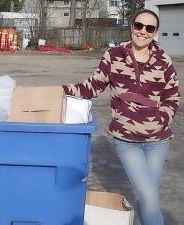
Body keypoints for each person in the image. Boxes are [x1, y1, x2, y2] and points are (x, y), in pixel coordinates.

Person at [62, 9, 179, 225]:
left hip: (158, 141)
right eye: (139, 26)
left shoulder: (164, 61)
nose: (143, 32)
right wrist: (62, 90)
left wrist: (163, 118)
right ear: (132, 26)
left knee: (144, 196)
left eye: (149, 28)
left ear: (155, 32)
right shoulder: (114, 55)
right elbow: (93, 86)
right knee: (150, 199)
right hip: (126, 140)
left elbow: (172, 96)